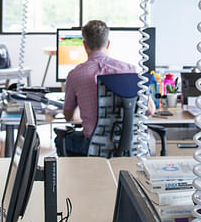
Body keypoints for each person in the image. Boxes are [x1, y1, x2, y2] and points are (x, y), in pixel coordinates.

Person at [56, 20, 154, 156]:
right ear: (108, 44)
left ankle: (71, 176)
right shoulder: (130, 70)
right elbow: (149, 110)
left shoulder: (75, 75)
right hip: (132, 148)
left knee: (60, 140)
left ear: (84, 45)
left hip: (93, 148)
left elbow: (68, 116)